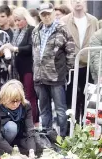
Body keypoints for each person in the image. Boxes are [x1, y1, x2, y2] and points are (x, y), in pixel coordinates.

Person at [32, 3, 75, 138]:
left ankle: (62, 137)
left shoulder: (62, 29)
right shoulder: (36, 31)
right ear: (40, 15)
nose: (46, 17)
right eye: (43, 14)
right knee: (44, 109)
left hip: (56, 76)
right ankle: (47, 136)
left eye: (48, 13)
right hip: (39, 76)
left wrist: (64, 70)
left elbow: (71, 51)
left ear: (53, 13)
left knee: (61, 110)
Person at [0, 7, 39, 127]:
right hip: (18, 68)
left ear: (25, 18)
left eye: (19, 20)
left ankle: (34, 122)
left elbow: (29, 48)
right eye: (15, 20)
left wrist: (15, 48)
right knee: (19, 96)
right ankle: (23, 121)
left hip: (29, 68)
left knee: (30, 96)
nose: (17, 23)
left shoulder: (31, 30)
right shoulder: (16, 32)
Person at [60, 0, 99, 122]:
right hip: (71, 67)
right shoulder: (64, 21)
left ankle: (87, 128)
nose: (78, 2)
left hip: (88, 65)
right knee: (71, 100)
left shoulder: (93, 21)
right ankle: (72, 128)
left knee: (88, 99)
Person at [0, 80, 38, 156]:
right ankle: (2, 152)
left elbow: (29, 129)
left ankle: (11, 148)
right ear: (5, 99)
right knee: (11, 127)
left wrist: (31, 150)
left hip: (17, 134)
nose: (16, 104)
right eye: (12, 101)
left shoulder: (25, 105)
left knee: (33, 146)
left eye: (18, 100)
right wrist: (12, 152)